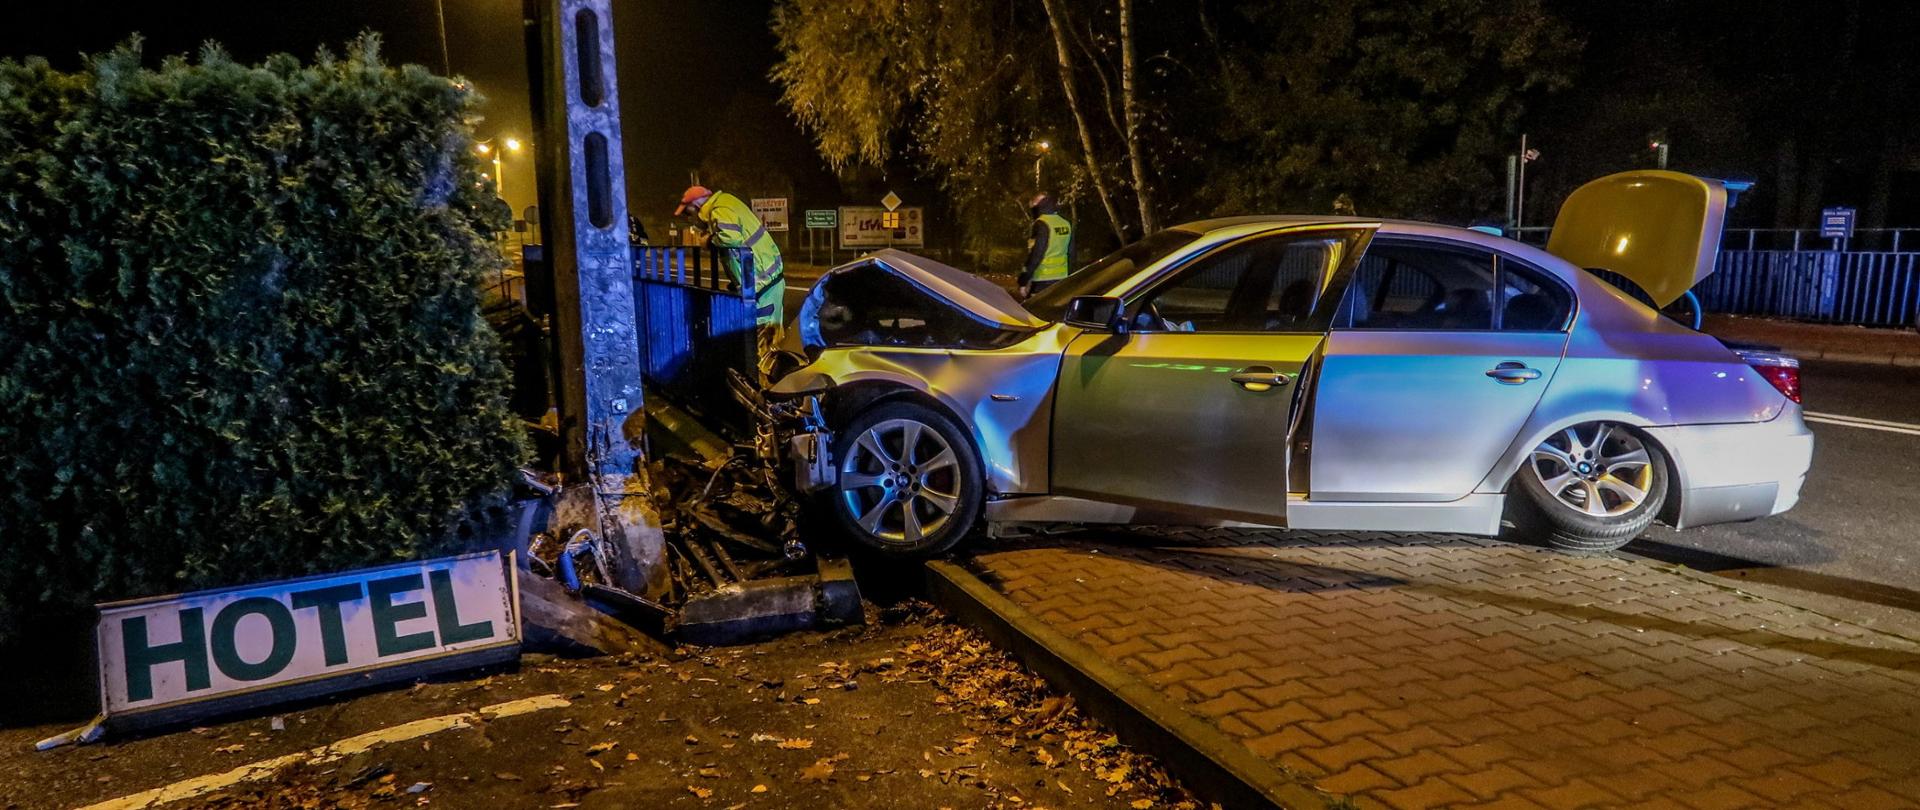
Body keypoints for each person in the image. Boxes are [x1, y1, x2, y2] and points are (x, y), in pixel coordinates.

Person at [676, 185, 786, 368]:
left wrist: (709, 241)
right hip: (764, 278)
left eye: (688, 212)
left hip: (762, 280)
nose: (690, 218)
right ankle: (767, 379)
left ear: (696, 205)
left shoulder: (720, 209)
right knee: (768, 338)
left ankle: (765, 385)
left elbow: (731, 238)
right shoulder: (725, 202)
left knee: (763, 339)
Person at [1019, 193, 1074, 299]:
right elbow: (1071, 253)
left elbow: (1037, 254)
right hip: (1062, 278)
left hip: (1042, 279)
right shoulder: (1065, 223)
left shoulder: (1041, 224)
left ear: (1038, 205)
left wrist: (1023, 280)